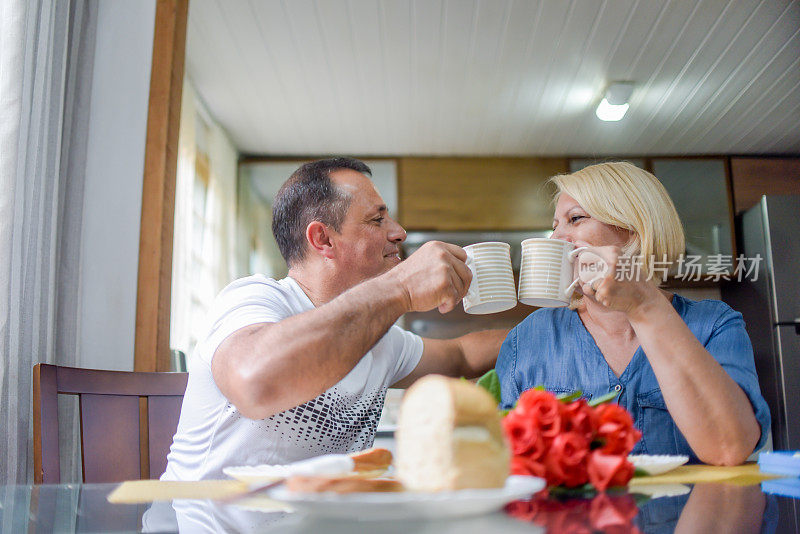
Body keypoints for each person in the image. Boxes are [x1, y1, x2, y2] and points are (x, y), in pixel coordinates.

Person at [161, 157, 507, 481]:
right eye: (377, 219)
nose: (399, 232)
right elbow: (254, 382)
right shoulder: (255, 298)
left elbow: (461, 355)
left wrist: (552, 327)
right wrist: (400, 287)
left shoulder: (377, 336)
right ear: (323, 238)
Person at [495, 161, 770, 466]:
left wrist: (645, 305)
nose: (556, 238)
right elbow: (505, 463)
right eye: (556, 224)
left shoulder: (714, 325)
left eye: (575, 219)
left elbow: (730, 448)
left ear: (633, 231)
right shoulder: (527, 338)